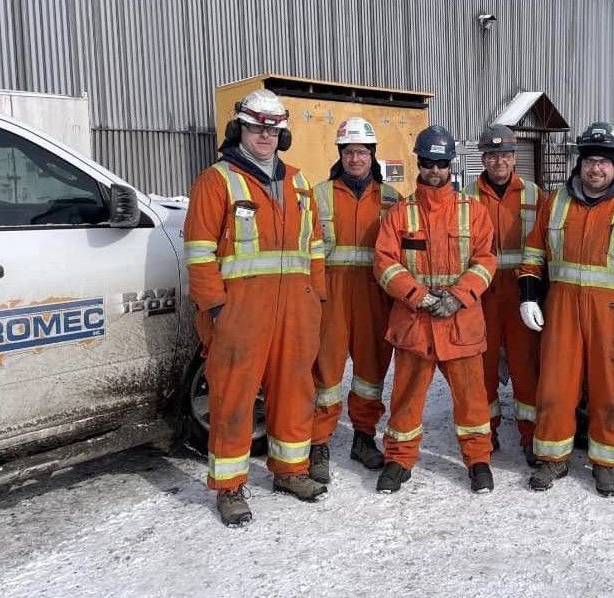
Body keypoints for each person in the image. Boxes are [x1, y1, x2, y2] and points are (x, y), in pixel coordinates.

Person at [183, 89, 326, 526]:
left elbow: (315, 247)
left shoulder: (299, 182)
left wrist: (317, 298)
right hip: (239, 312)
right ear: (239, 130)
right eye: (255, 128)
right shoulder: (217, 180)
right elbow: (199, 253)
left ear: (282, 135)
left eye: (273, 130)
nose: (265, 137)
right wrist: (216, 309)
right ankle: (229, 486)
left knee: (295, 390)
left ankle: (290, 470)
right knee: (233, 397)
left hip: (296, 309)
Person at [519, 122, 614, 497]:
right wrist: (528, 295)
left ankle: (605, 464)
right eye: (590, 161)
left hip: (613, 315)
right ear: (580, 164)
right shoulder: (555, 202)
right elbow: (534, 254)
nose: (596, 169)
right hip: (562, 310)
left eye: (603, 162)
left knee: (609, 392)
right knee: (554, 388)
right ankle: (553, 459)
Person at [372, 125, 498, 494]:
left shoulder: (473, 212)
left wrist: (458, 295)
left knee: (472, 400)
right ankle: (398, 459)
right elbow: (384, 262)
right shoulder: (400, 213)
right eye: (428, 162)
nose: (434, 170)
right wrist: (418, 295)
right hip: (416, 322)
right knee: (406, 398)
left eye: (441, 164)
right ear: (419, 163)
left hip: (460, 320)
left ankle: (478, 460)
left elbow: (486, 260)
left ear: (451, 165)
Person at [309, 117, 402, 484]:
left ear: (372, 154)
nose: (355, 159)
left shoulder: (392, 199)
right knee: (325, 371)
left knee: (371, 372)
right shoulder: (318, 195)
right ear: (340, 155)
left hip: (375, 296)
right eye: (348, 152)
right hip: (330, 295)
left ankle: (363, 437)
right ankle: (318, 442)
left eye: (362, 152)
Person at [464, 124, 546, 465]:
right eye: (492, 156)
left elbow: (546, 245)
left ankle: (530, 435)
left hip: (521, 294)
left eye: (505, 155)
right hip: (480, 296)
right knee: (481, 370)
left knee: (526, 368)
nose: (499, 162)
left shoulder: (534, 195)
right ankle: (487, 433)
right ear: (483, 159)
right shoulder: (466, 196)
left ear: (514, 158)